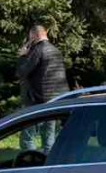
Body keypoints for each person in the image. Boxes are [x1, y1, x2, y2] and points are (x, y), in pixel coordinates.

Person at [16, 23, 69, 153]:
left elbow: (22, 72)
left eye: (30, 37)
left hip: (37, 100)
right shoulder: (56, 50)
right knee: (49, 138)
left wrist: (23, 56)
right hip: (55, 100)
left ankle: (30, 164)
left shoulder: (37, 50)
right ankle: (49, 164)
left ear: (34, 35)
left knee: (27, 137)